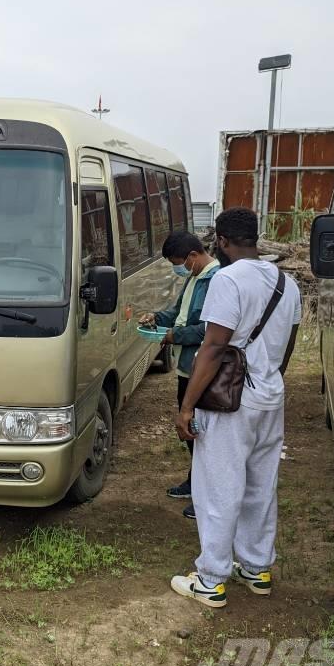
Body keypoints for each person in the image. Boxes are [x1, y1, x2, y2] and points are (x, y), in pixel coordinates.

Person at [170, 207, 301, 608]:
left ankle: (211, 579)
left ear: (222, 242)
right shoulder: (288, 283)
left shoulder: (227, 279)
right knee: (261, 484)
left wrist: (187, 406)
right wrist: (269, 377)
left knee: (218, 487)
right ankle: (256, 567)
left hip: (231, 402)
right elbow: (288, 345)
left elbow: (213, 346)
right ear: (255, 238)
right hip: (269, 398)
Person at [138, 230, 219, 520]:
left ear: (193, 256)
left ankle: (207, 496)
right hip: (186, 366)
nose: (178, 269)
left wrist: (174, 336)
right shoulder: (194, 277)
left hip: (202, 367)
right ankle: (194, 480)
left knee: (201, 432)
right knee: (190, 432)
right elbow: (179, 313)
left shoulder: (216, 281)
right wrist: (157, 318)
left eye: (179, 263)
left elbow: (209, 330)